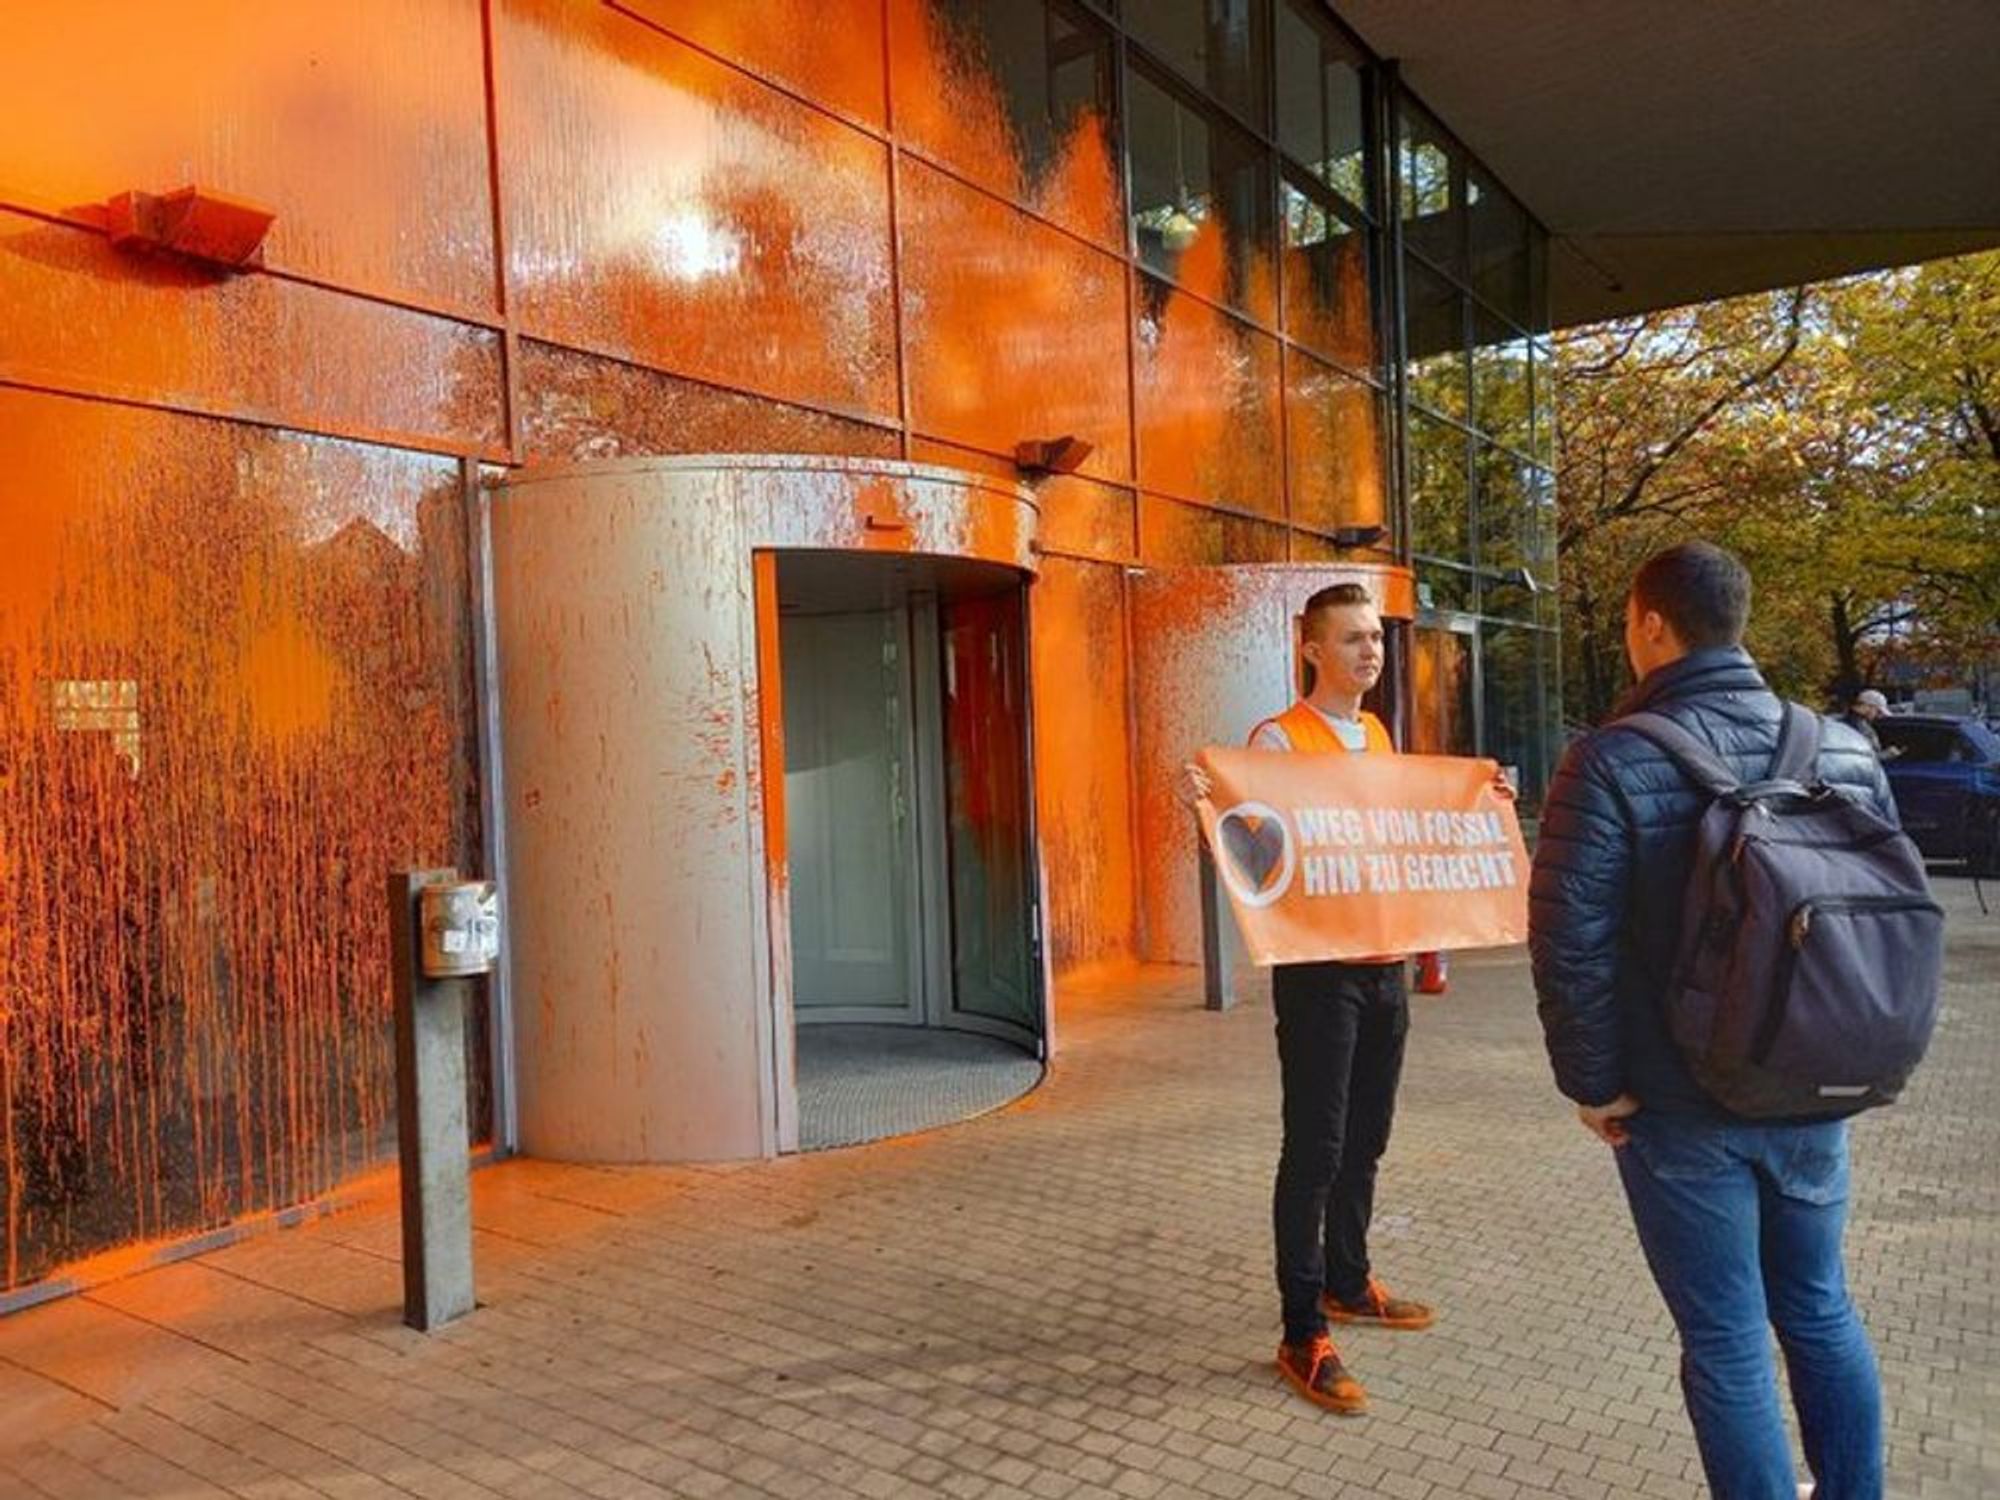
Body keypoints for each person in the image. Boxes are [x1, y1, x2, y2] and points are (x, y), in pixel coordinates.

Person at [1529, 541, 1894, 1499]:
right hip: (1817, 1083)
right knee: (1818, 1307)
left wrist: (1594, 1083)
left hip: (1679, 1101)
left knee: (1727, 1338)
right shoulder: (1843, 746)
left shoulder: (1608, 759)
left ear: (1652, 625)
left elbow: (1572, 943)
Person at [1182, 583, 1434, 1416]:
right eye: (1353, 639)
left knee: (1368, 1136)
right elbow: (1255, 848)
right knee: (1317, 1148)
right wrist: (1211, 813)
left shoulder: (1376, 734)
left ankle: (1347, 1281)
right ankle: (1301, 1334)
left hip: (1383, 963)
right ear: (1311, 649)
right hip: (1319, 974)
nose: (1371, 651)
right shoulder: (1277, 740)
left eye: (1377, 639)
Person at [1840, 688, 1900, 760]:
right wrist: (1887, 754)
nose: (1879, 716)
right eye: (1878, 711)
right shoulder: (1861, 727)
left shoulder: (1839, 722)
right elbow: (1862, 757)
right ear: (1868, 707)